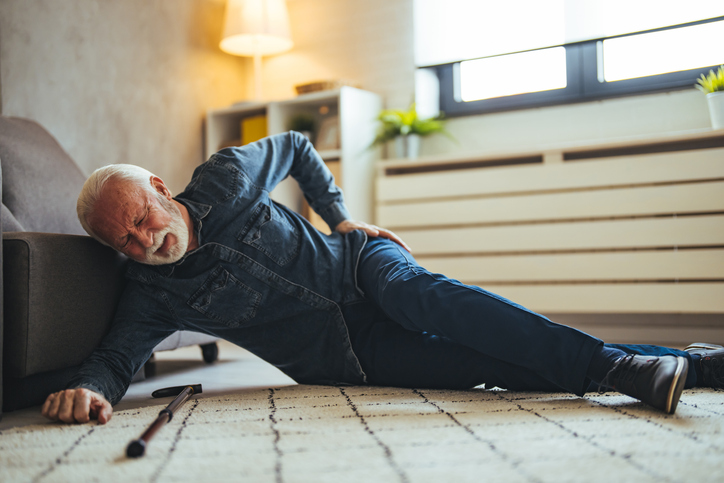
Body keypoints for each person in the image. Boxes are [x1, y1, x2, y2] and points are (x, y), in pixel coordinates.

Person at [41, 132, 723, 424]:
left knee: (418, 291)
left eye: (140, 217)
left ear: (159, 188)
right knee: (480, 366)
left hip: (363, 268)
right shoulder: (151, 290)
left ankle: (613, 365)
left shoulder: (224, 177)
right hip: (347, 354)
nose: (142, 239)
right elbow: (115, 356)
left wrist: (340, 219)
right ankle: (677, 364)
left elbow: (300, 148)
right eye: (122, 240)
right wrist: (87, 391)